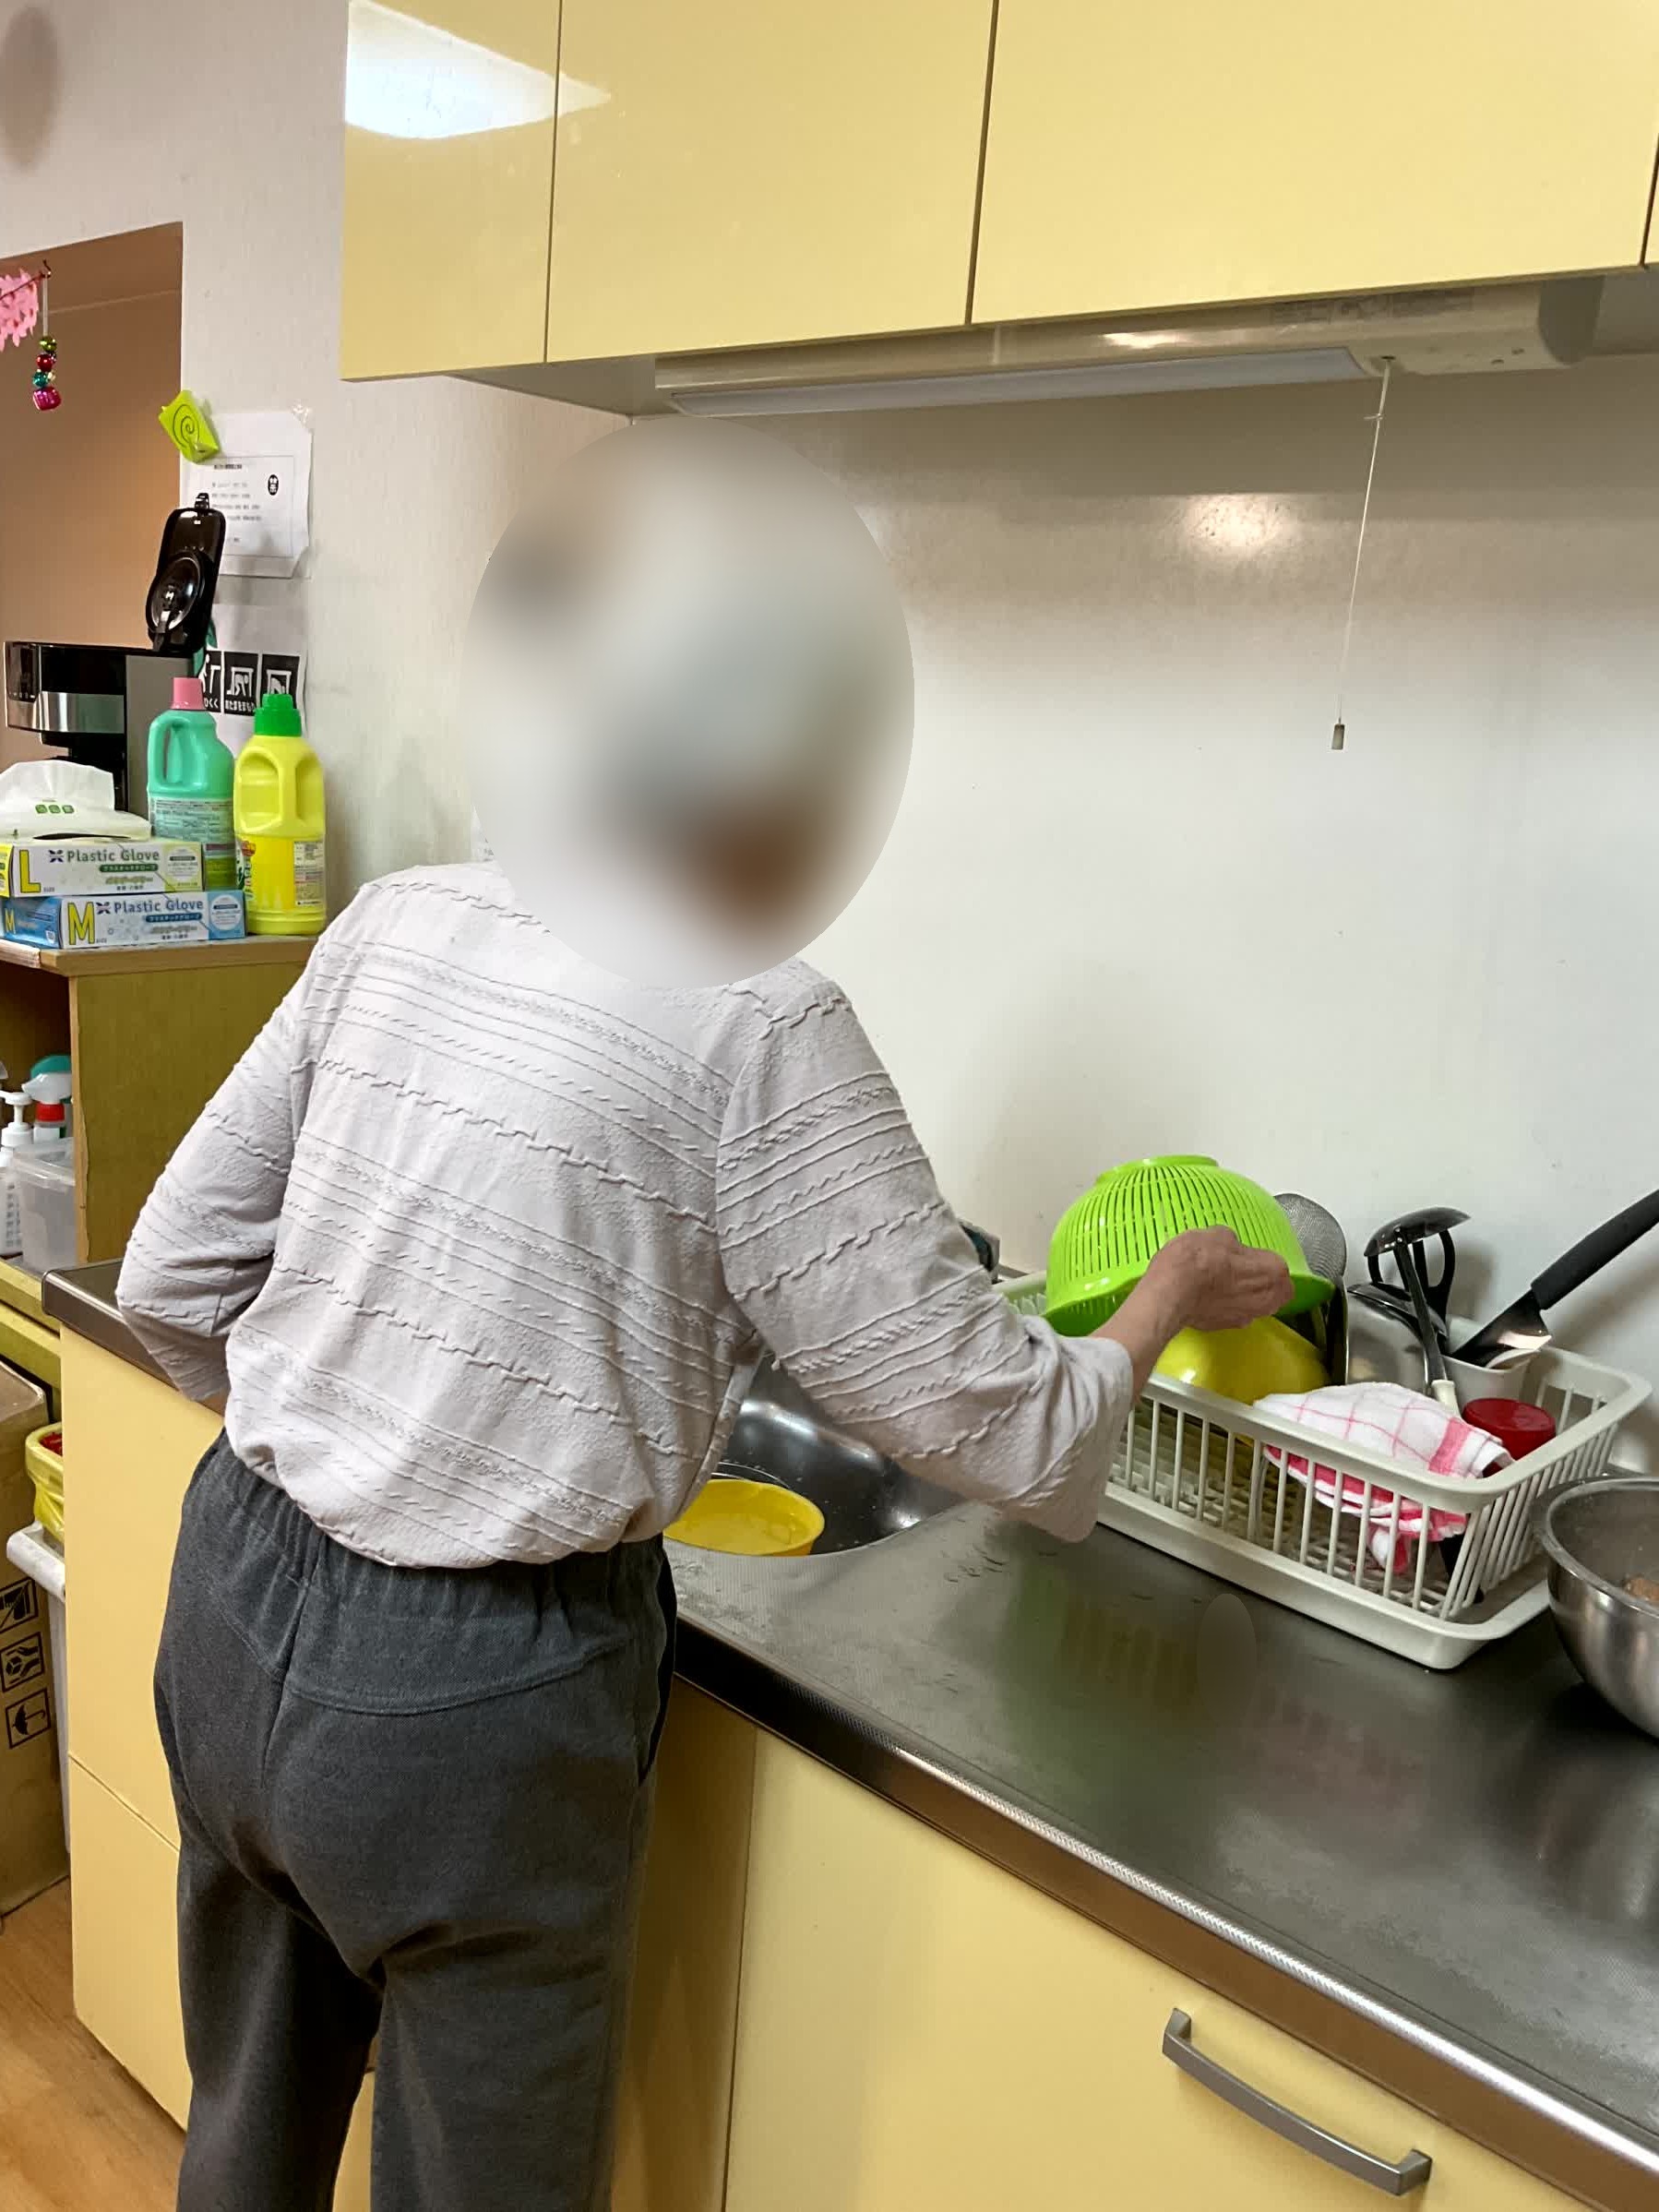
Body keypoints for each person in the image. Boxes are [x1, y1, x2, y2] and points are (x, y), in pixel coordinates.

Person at [117, 861, 1290, 2212]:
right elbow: (1015, 1431)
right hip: (475, 1695)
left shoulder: (406, 912)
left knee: (245, 2121)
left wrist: (336, 1455)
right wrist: (1167, 1290)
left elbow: (171, 1278)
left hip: (232, 1587)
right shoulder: (763, 1020)